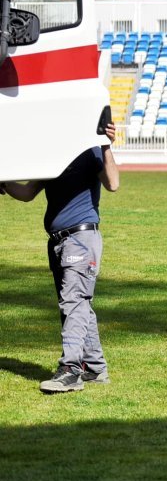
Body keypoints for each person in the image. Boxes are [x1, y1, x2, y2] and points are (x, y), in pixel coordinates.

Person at [0, 123, 120, 394]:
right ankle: (95, 368)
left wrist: (106, 145)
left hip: (81, 238)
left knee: (74, 302)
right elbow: (28, 192)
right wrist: (4, 183)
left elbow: (113, 183)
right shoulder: (52, 153)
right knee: (78, 304)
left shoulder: (90, 151)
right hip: (57, 241)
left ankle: (70, 370)